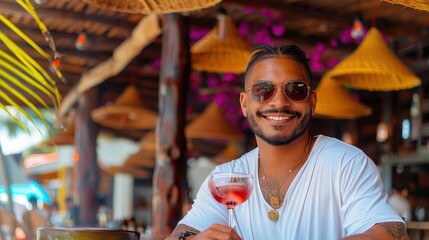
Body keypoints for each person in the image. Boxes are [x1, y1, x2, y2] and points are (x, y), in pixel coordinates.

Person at [166, 44, 408, 239]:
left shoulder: (346, 163)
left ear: (311, 102)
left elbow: (390, 233)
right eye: (263, 90)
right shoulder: (227, 178)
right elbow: (182, 232)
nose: (279, 102)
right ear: (244, 103)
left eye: (295, 90)